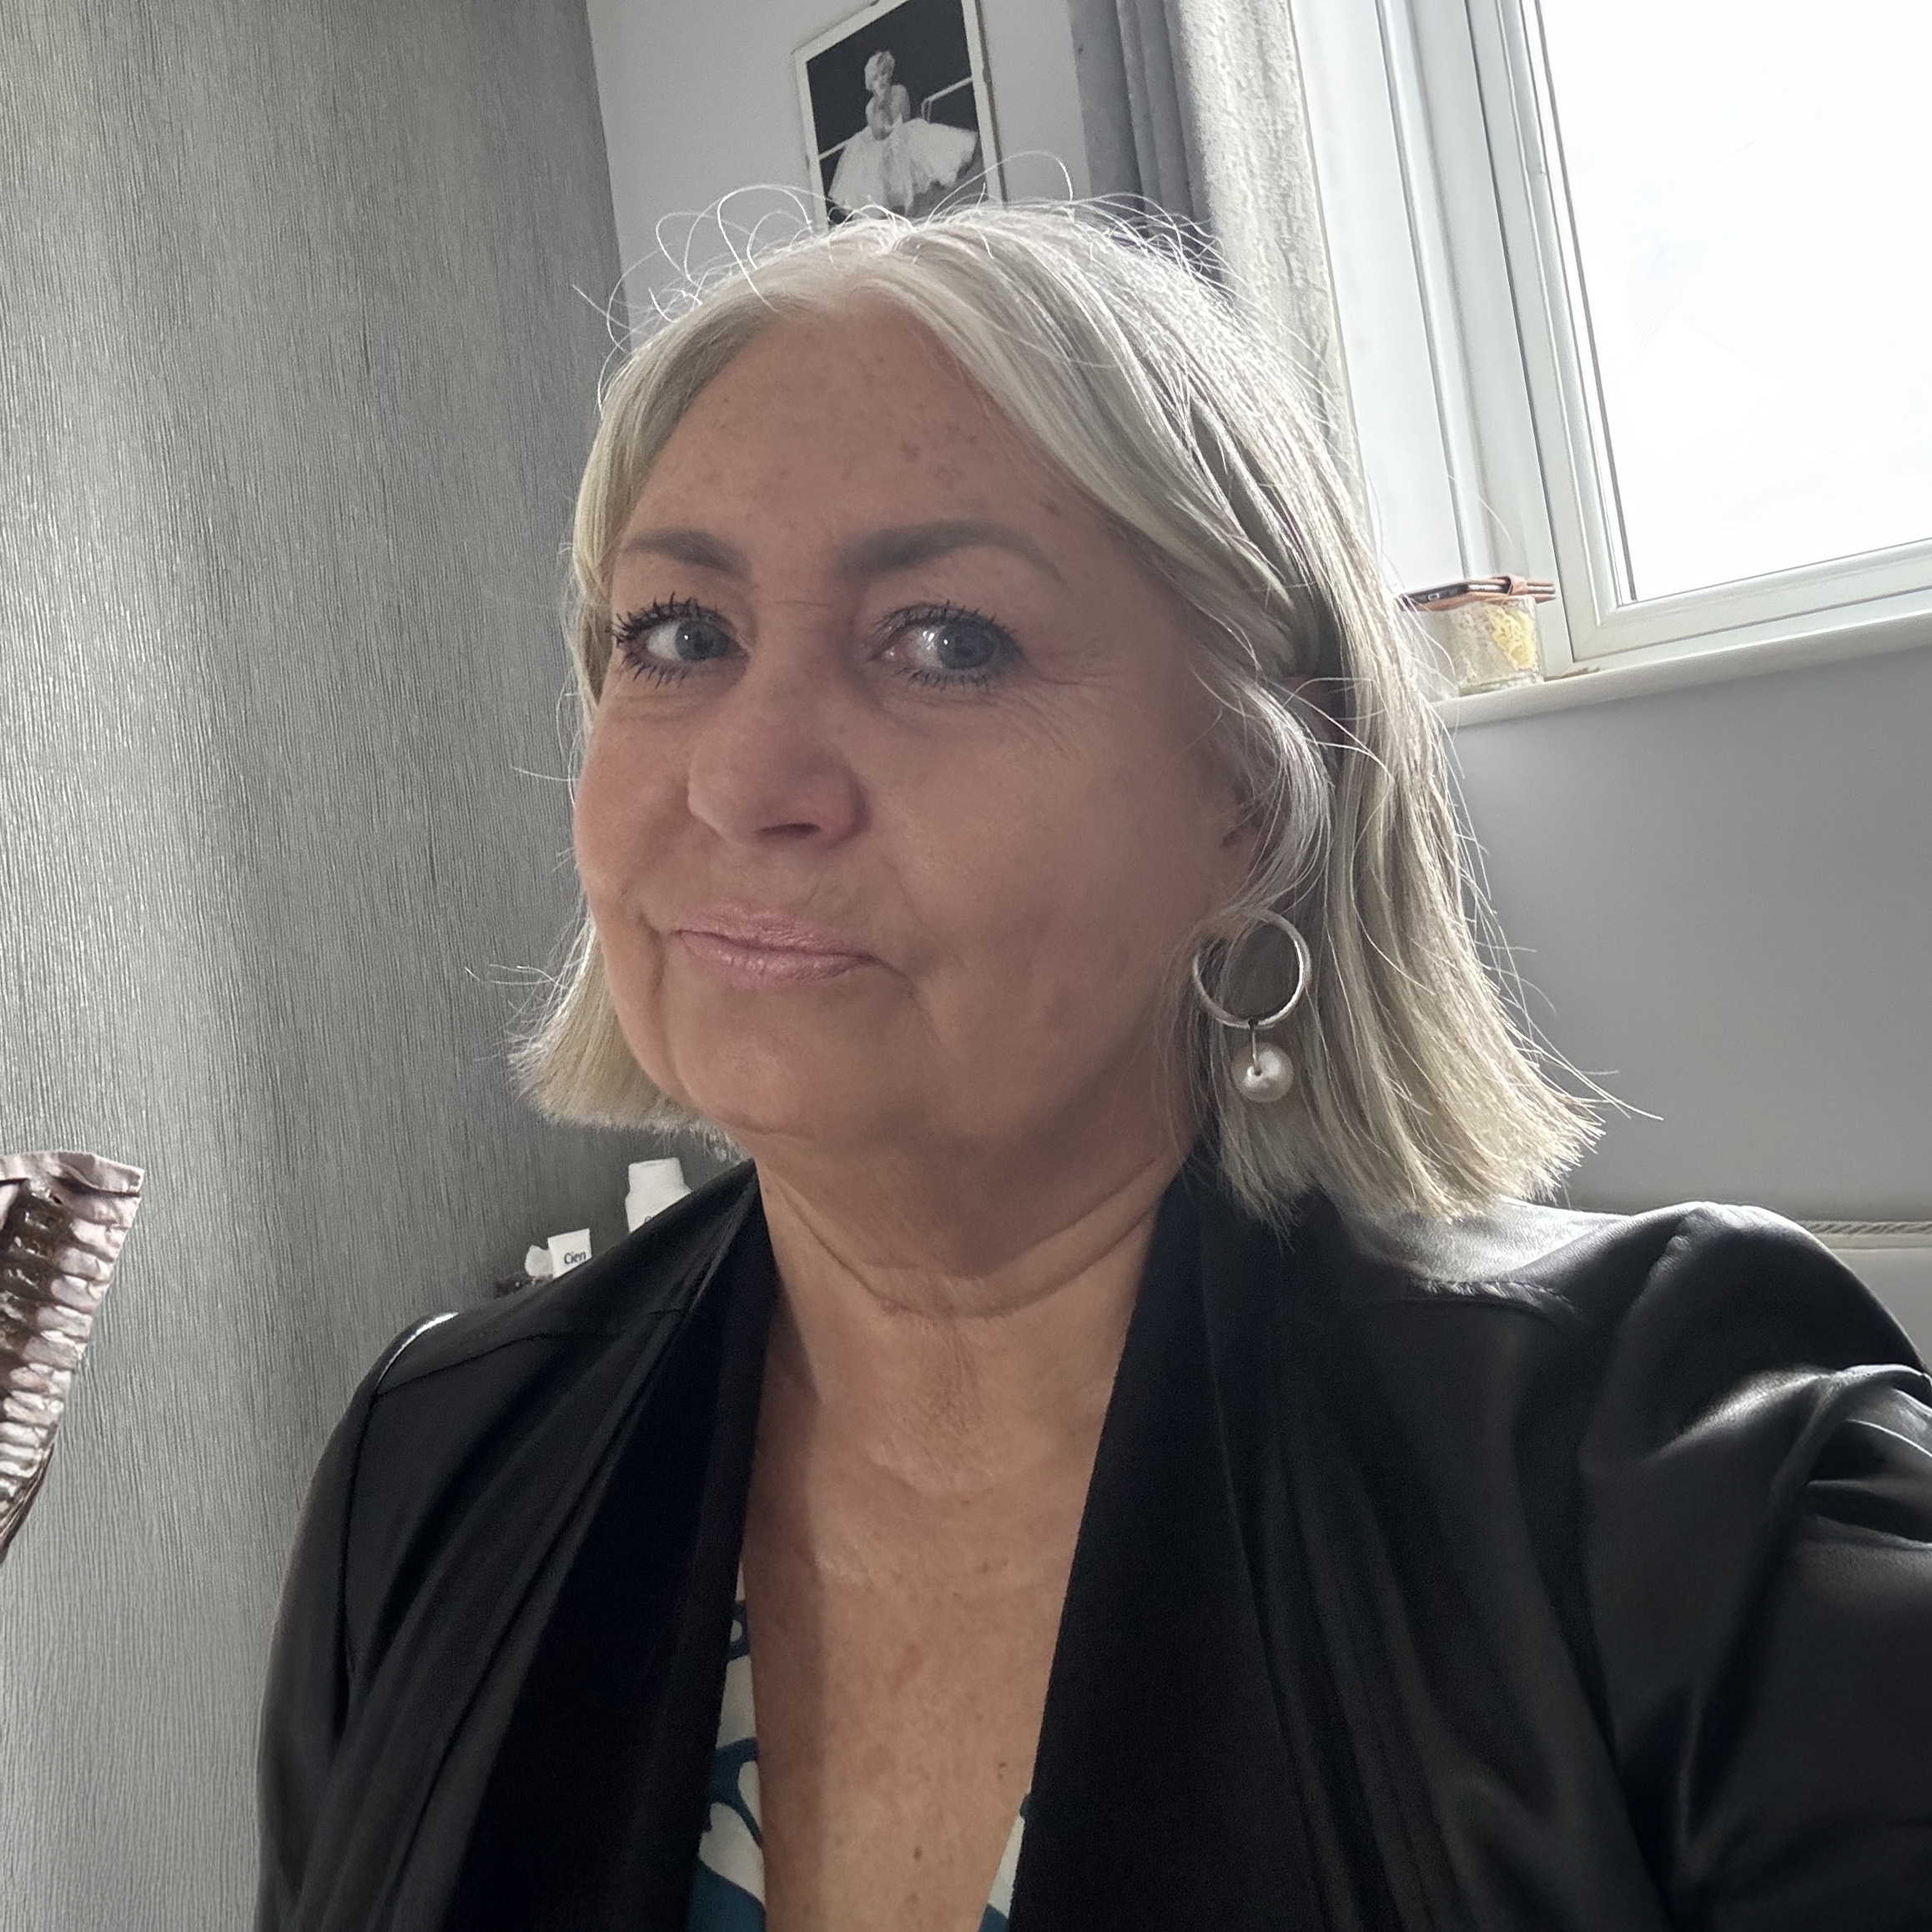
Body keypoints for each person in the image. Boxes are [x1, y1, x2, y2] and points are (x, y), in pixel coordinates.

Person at [254, 203, 1932, 1932]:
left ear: (1254, 797)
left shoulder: (1684, 1482)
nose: (743, 780)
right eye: (681, 634)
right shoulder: (435, 1462)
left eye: (945, 640)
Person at [826, 49, 979, 220]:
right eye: (876, 78)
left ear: (889, 73)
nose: (881, 80)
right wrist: (880, 106)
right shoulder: (871, 107)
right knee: (871, 157)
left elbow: (903, 119)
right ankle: (891, 205)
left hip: (902, 133)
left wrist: (888, 107)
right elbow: (879, 134)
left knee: (902, 140)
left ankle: (912, 199)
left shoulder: (899, 92)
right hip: (880, 142)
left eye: (883, 74)